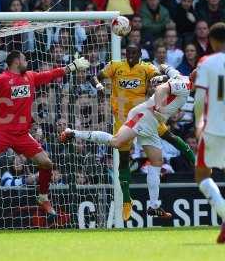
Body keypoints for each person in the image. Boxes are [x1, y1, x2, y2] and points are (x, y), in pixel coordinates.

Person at [63, 44, 195, 220]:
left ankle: (154, 206)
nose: (131, 56)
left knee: (157, 160)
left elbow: (164, 71)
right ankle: (74, 133)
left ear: (140, 55)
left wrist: (161, 74)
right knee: (119, 146)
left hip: (149, 117)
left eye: (134, 53)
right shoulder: (117, 66)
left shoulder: (150, 69)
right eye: (128, 53)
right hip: (140, 115)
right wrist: (100, 87)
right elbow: (162, 87)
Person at [0, 50, 90, 218]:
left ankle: (43, 197)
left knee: (46, 163)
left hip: (22, 134)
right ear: (16, 62)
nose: (27, 61)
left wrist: (72, 67)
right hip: (3, 133)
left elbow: (51, 74)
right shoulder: (2, 79)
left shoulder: (30, 76)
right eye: (24, 59)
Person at [193, 22, 225, 243]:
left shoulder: (207, 62)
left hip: (213, 127)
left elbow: (198, 98)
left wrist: (198, 122)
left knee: (202, 175)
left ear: (212, 41)